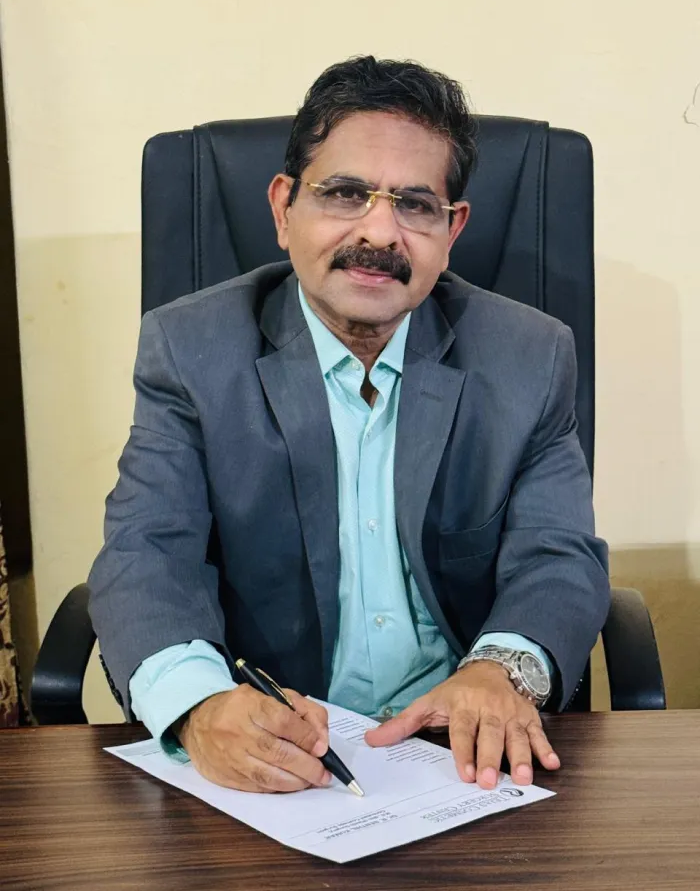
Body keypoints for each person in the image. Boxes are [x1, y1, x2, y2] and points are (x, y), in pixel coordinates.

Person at [89, 56, 610, 796]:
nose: (381, 232)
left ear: (452, 229)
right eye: (344, 193)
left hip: (462, 757)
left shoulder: (529, 357)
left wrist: (501, 671)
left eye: (416, 205)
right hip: (280, 750)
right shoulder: (191, 351)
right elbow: (147, 553)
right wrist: (201, 708)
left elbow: (558, 557)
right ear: (283, 208)